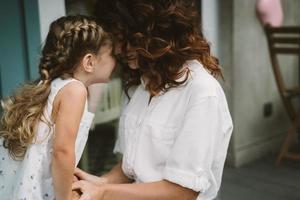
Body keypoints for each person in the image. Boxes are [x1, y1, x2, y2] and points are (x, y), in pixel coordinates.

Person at [72, 0, 233, 199]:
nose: (119, 50)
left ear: (155, 33)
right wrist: (97, 183)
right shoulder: (139, 86)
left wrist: (104, 192)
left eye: (126, 39)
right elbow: (128, 169)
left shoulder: (202, 93)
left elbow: (182, 192)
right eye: (116, 39)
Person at [0, 15, 115, 200]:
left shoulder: (51, 85)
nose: (116, 62)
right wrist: (65, 197)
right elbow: (62, 152)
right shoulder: (75, 90)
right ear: (89, 62)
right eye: (112, 55)